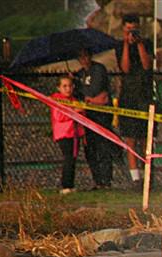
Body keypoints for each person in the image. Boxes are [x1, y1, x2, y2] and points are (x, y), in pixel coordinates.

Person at [116, 13, 153, 186]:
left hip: (143, 96)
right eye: (128, 29)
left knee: (145, 137)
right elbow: (125, 68)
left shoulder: (146, 43)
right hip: (128, 97)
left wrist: (138, 44)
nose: (131, 32)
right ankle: (135, 178)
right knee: (130, 138)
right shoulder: (119, 46)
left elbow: (147, 65)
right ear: (123, 28)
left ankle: (147, 174)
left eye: (134, 29)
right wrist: (126, 43)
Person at [74, 47, 112, 190]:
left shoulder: (98, 69)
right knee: (90, 149)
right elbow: (80, 95)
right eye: (80, 57)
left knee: (103, 147)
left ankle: (106, 180)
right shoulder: (79, 75)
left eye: (86, 56)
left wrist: (89, 99)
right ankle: (97, 180)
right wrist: (88, 99)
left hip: (101, 116)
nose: (84, 60)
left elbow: (97, 91)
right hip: (87, 116)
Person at [50, 75, 85, 194]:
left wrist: (80, 111)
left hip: (75, 134)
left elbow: (81, 116)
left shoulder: (74, 100)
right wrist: (73, 112)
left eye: (69, 86)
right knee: (68, 157)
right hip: (64, 134)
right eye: (64, 86)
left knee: (73, 158)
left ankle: (71, 184)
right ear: (58, 88)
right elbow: (59, 116)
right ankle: (65, 185)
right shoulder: (56, 100)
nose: (67, 89)